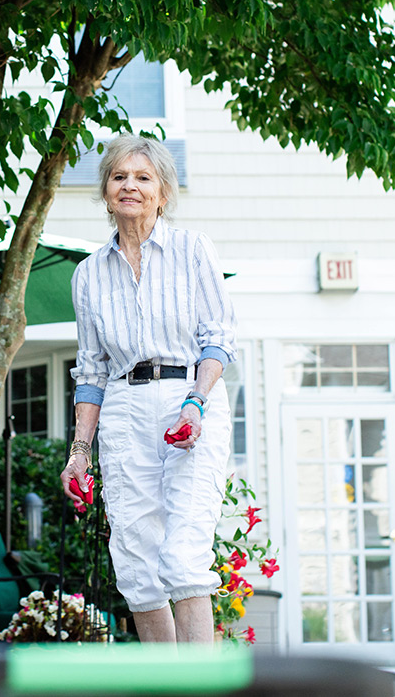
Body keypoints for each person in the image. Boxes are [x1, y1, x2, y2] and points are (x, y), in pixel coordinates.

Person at [59, 134, 236, 644]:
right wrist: (78, 454)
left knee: (182, 558)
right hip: (123, 407)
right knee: (136, 568)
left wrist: (196, 403)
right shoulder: (88, 274)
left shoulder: (192, 249)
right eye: (119, 177)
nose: (129, 187)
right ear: (106, 191)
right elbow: (91, 371)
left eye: (143, 178)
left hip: (189, 398)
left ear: (163, 192)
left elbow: (218, 338)